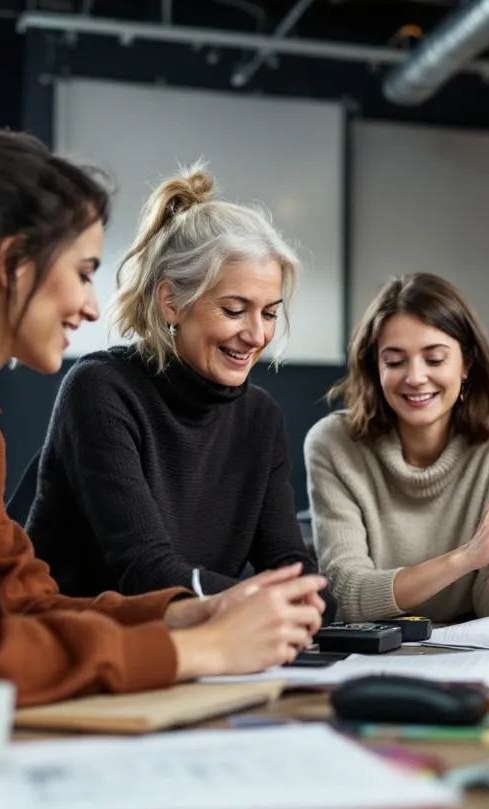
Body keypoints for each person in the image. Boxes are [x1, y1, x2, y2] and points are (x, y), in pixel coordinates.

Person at [0, 114, 324, 778]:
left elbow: (26, 601)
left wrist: (188, 616)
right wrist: (197, 653)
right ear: (11, 264)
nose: (92, 308)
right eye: (82, 271)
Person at [26, 167, 331, 616]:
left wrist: (310, 598)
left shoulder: (260, 417)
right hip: (81, 647)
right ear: (171, 302)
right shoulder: (100, 390)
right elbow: (146, 573)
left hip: (196, 644)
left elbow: (288, 561)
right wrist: (270, 603)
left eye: (269, 313)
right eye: (233, 310)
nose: (256, 334)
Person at [305, 272, 489, 623]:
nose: (414, 377)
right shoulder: (332, 443)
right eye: (395, 361)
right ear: (374, 368)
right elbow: (348, 596)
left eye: (434, 359)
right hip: (368, 651)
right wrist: (466, 557)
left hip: (469, 658)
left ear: (466, 364)